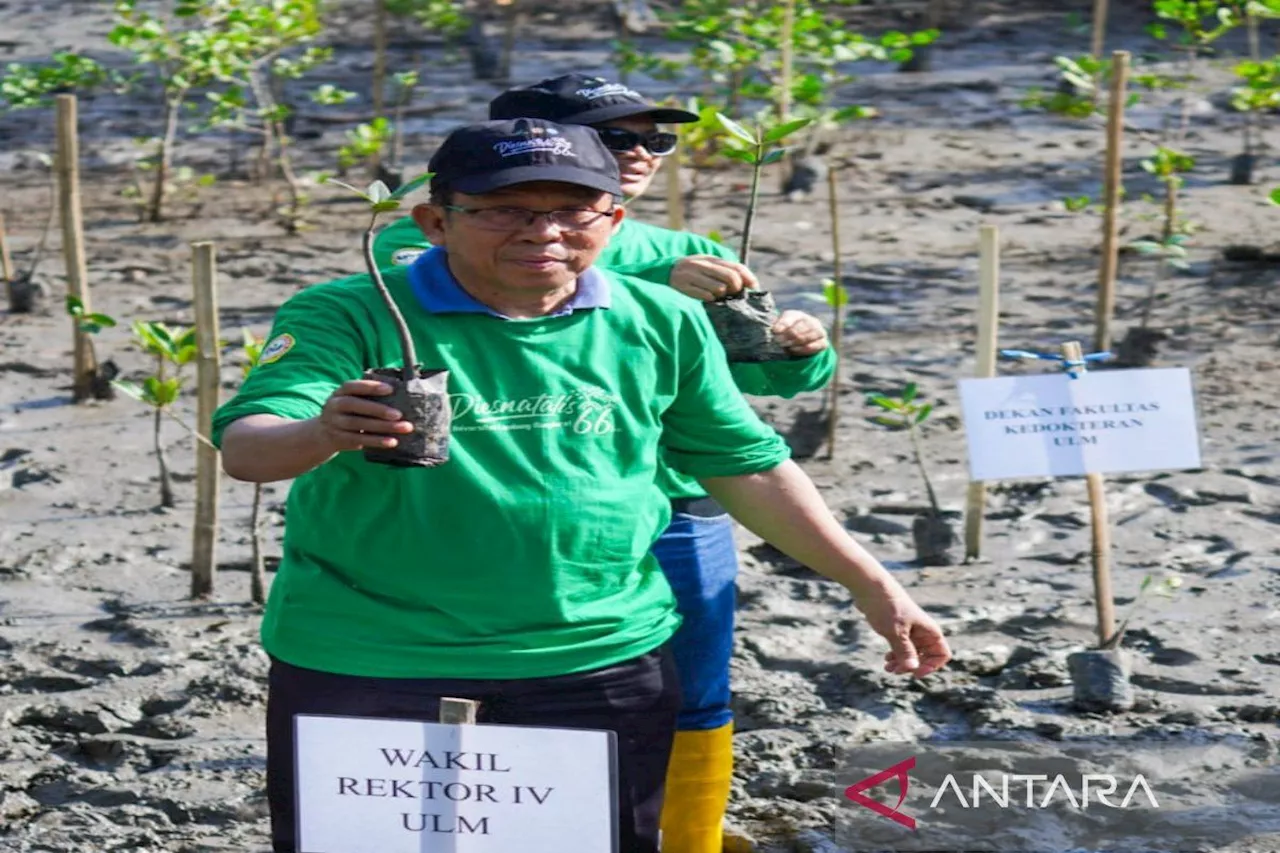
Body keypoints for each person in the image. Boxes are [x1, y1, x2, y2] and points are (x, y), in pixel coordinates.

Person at [214, 117, 950, 853]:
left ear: (615, 218)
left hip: (597, 656)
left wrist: (871, 582)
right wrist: (322, 432)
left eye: (573, 209)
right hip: (369, 656)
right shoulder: (346, 311)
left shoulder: (660, 317)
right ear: (435, 221)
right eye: (505, 209)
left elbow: (746, 462)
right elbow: (249, 448)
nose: (545, 232)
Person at [375, 73, 836, 852]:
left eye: (658, 138)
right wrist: (651, 284)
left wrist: (798, 353)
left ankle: (687, 836)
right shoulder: (434, 231)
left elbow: (739, 382)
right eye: (619, 137)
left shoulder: (690, 249)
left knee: (695, 683)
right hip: (515, 503)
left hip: (680, 498)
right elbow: (486, 286)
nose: (644, 153)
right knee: (509, 685)